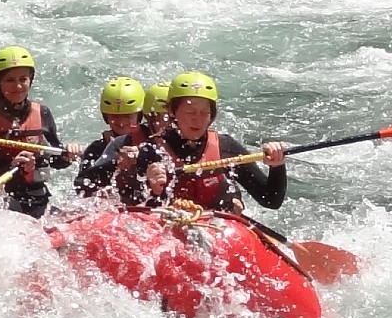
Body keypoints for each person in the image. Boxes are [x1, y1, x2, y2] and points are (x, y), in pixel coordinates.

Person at [117, 71, 287, 213]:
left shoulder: (226, 147)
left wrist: (277, 166)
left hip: (217, 232)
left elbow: (270, 200)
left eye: (204, 112)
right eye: (190, 111)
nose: (197, 119)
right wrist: (152, 188)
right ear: (172, 111)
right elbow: (129, 205)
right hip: (169, 233)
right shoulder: (152, 151)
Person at [0, 45, 73, 218]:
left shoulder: (42, 113)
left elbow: (56, 160)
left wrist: (67, 155)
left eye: (23, 79)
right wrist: (9, 165)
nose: (17, 86)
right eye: (10, 80)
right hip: (1, 195)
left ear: (30, 80)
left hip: (36, 195)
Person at [74, 76, 151, 197]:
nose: (121, 122)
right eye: (114, 117)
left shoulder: (152, 145)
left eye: (127, 116)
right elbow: (81, 184)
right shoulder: (97, 149)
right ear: (106, 117)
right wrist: (96, 192)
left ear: (139, 115)